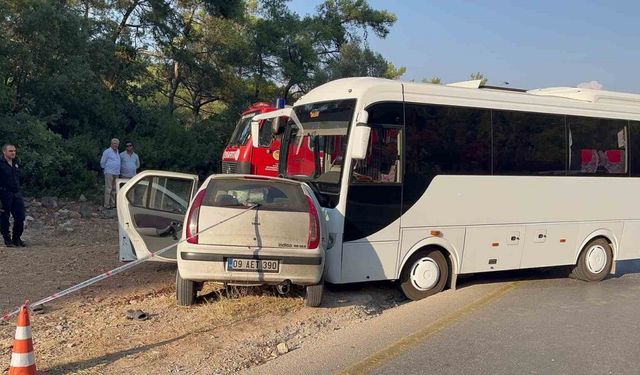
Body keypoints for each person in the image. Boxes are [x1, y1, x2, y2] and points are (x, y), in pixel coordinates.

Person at [0, 144, 26, 247]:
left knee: (20, 217)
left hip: (16, 193)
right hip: (4, 193)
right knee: (4, 217)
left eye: (14, 151)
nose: (13, 153)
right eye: (11, 151)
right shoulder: (1, 164)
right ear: (4, 152)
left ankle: (17, 238)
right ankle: (7, 239)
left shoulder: (16, 163)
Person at [100, 138, 121, 209]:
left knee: (114, 189)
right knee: (108, 188)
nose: (116, 145)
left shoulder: (117, 151)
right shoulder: (107, 151)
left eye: (117, 144)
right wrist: (106, 170)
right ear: (111, 144)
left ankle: (113, 204)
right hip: (109, 172)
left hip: (116, 172)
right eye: (114, 143)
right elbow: (102, 162)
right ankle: (106, 205)